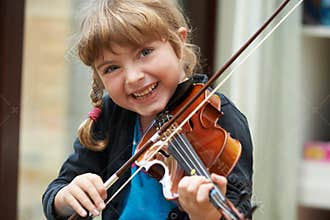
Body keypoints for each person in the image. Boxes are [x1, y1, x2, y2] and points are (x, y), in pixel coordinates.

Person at [42, 0, 253, 219]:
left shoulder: (218, 117)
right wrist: (67, 197)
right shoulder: (112, 115)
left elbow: (239, 209)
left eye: (145, 52)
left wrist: (206, 214)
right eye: (112, 68)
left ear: (178, 43)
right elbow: (57, 192)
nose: (134, 78)